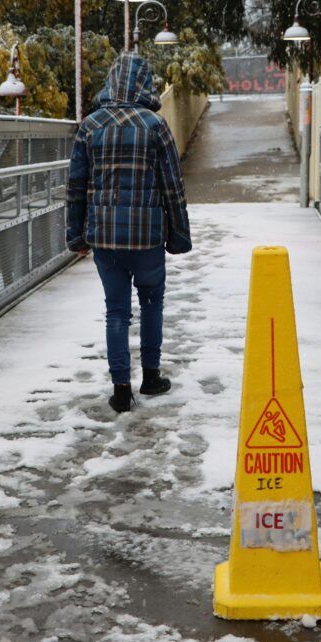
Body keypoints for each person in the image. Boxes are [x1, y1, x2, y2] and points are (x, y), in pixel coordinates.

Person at [66, 52, 191, 413]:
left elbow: (76, 186)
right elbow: (173, 186)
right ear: (144, 84)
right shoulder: (154, 125)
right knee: (152, 303)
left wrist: (76, 236)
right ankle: (151, 377)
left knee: (116, 312)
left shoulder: (90, 125)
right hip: (147, 237)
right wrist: (178, 234)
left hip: (105, 238)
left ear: (111, 81)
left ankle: (121, 389)